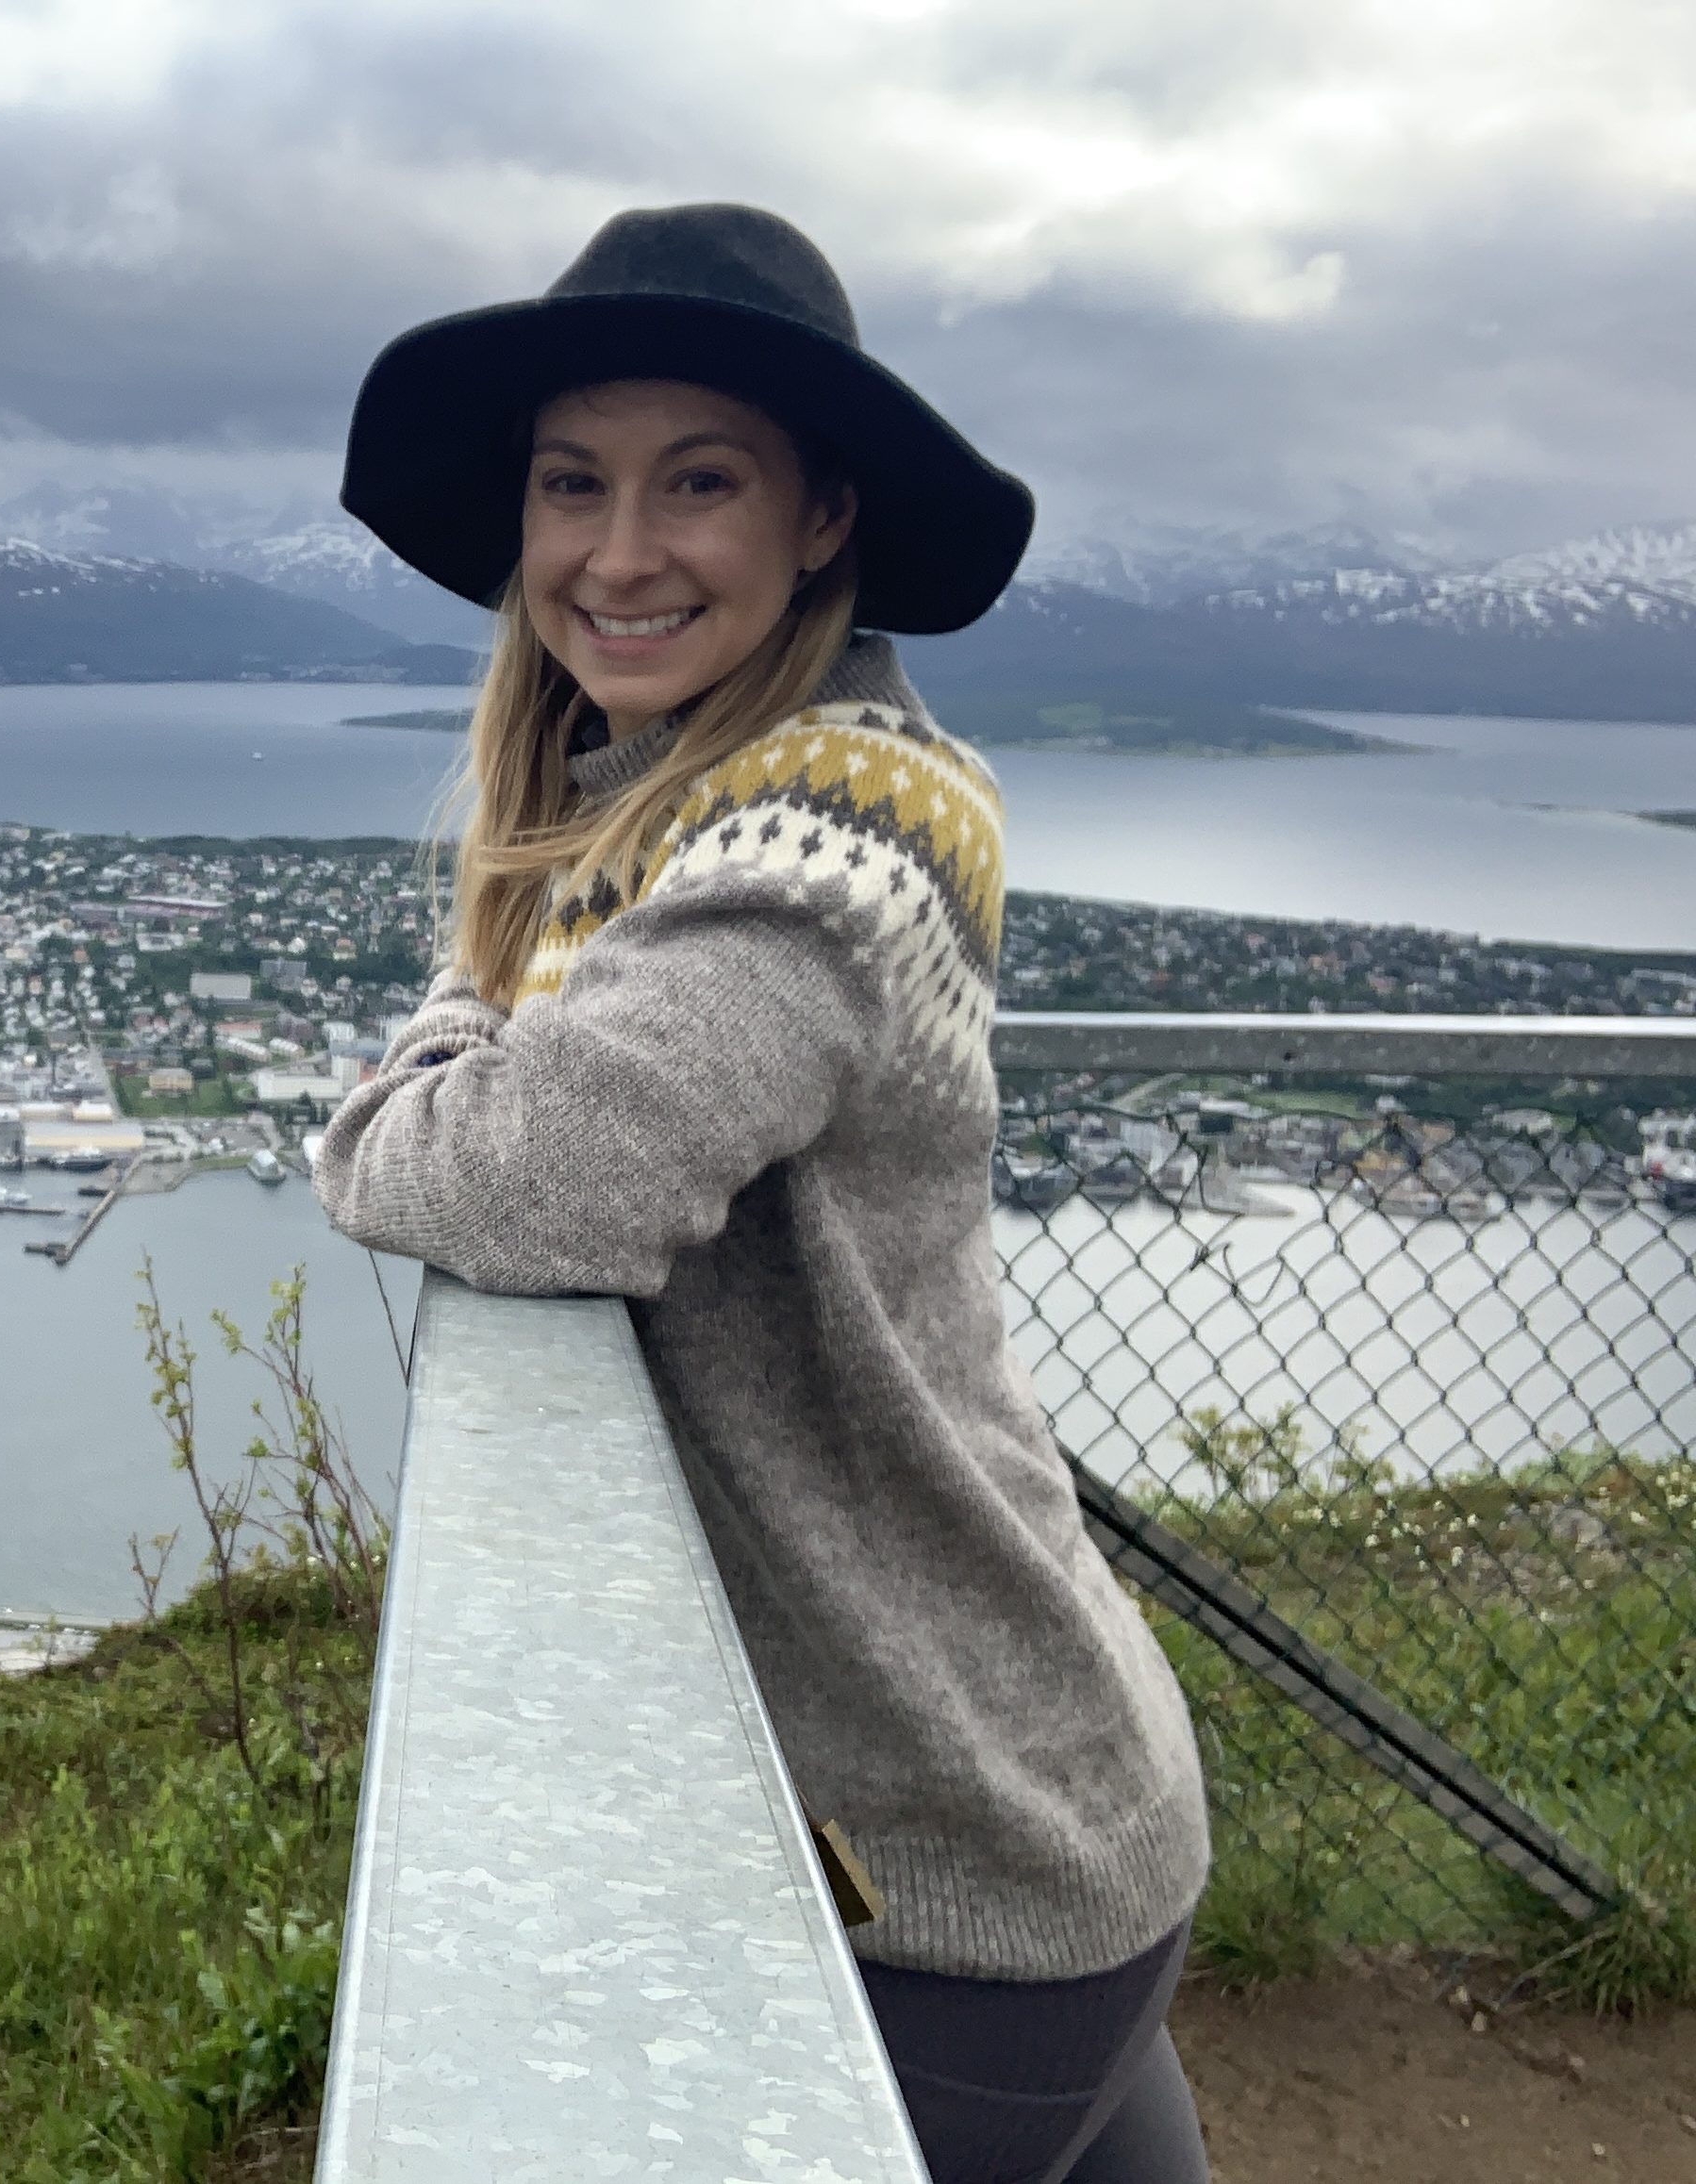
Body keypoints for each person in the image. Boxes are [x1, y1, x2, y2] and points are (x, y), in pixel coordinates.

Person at [317, 204, 1215, 2184]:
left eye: (695, 482)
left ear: (819, 520)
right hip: (1028, 1776)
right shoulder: (670, 798)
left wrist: (436, 1044)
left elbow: (500, 1172)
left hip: (959, 1852)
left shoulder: (812, 839)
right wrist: (489, 993)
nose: (615, 553)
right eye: (572, 483)